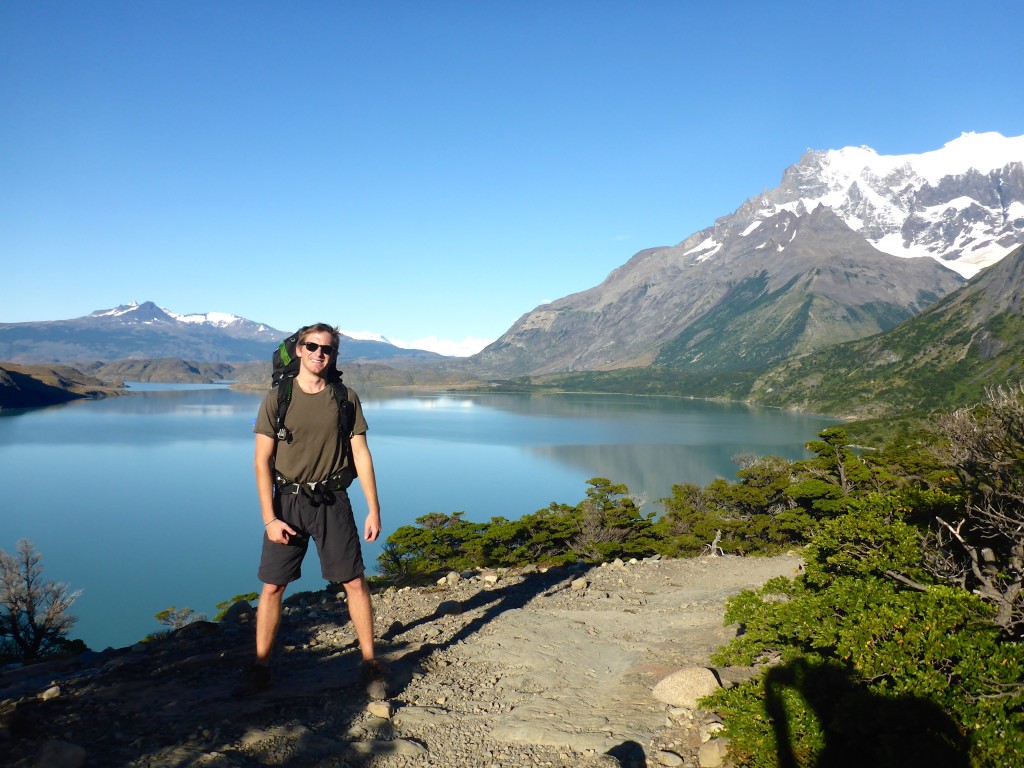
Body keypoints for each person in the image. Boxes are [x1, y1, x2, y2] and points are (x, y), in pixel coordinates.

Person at [234, 323, 387, 699]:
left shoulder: (345, 397)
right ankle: (261, 665)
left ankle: (370, 663)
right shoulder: (278, 398)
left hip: (333, 501)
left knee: (353, 582)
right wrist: (269, 518)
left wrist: (374, 508)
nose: (320, 354)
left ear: (334, 355)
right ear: (299, 350)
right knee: (272, 587)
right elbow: (261, 462)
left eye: (327, 349)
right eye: (312, 346)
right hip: (286, 503)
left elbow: (361, 454)